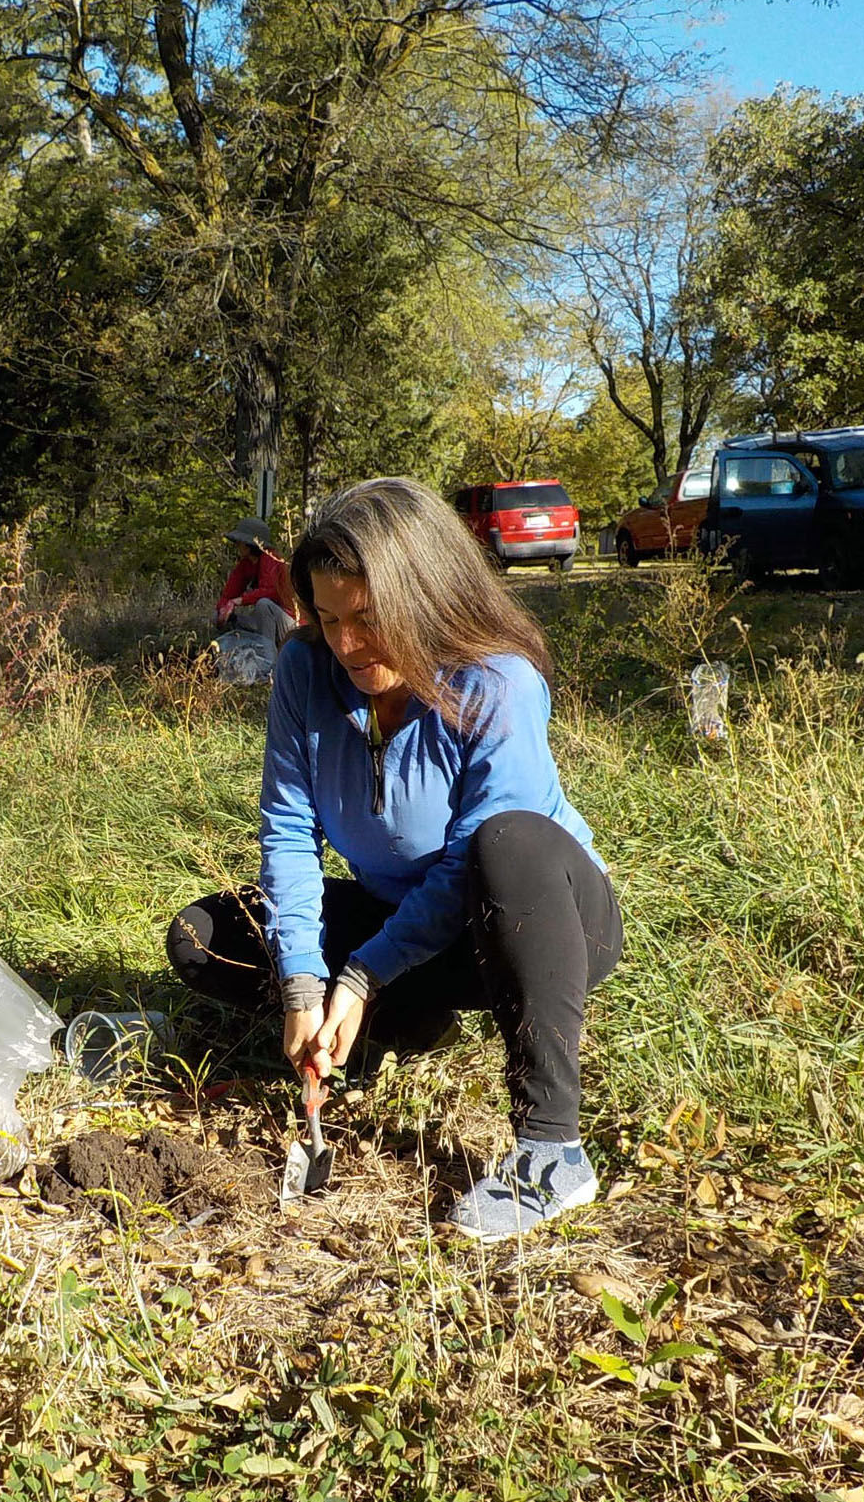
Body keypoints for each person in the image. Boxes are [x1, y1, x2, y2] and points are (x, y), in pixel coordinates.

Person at [169, 478, 622, 1244]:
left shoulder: (497, 681)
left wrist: (362, 974)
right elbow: (289, 832)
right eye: (329, 618)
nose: (347, 645)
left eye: (369, 619)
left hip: (534, 920)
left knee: (506, 841)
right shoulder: (306, 672)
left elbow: (467, 861)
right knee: (205, 936)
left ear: (425, 598)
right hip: (402, 925)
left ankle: (552, 1152)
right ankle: (404, 1026)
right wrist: (302, 980)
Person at [216, 517, 297, 650]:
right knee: (226, 618)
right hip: (270, 622)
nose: (237, 545)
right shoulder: (246, 564)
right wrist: (223, 609)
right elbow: (228, 594)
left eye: (240, 542)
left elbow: (270, 591)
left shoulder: (271, 558)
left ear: (250, 545)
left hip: (292, 625)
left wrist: (240, 600)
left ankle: (268, 655)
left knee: (263, 605)